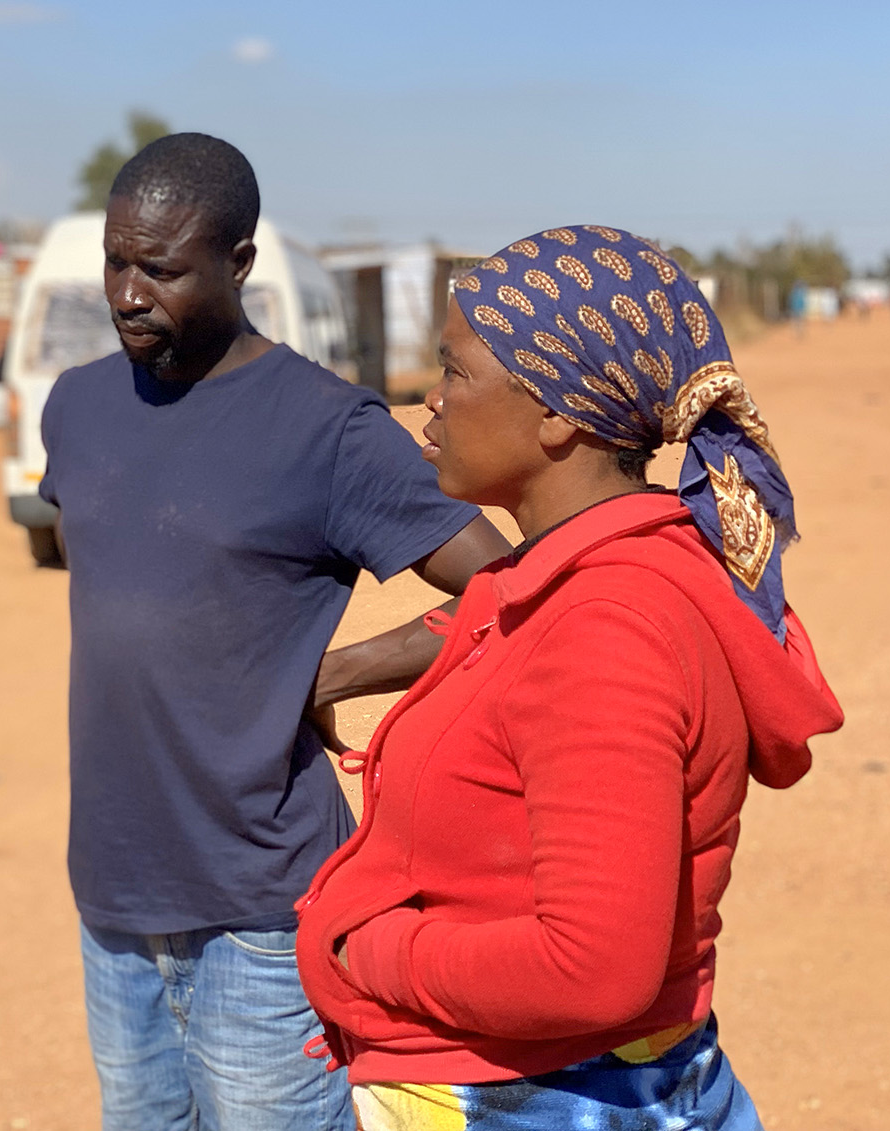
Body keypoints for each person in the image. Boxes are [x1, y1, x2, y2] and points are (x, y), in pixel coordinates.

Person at [294, 226, 844, 1130]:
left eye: (456, 372)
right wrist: (347, 670)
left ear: (557, 414)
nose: (430, 404)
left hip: (541, 1095)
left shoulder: (605, 629)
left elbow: (592, 969)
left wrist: (362, 949)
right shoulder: (584, 575)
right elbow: (490, 630)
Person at [36, 133, 510, 1130]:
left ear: (237, 264)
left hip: (261, 908)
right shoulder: (77, 407)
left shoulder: (326, 428)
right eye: (116, 261)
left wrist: (334, 673)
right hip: (115, 899)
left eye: (159, 270)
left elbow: (510, 587)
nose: (127, 292)